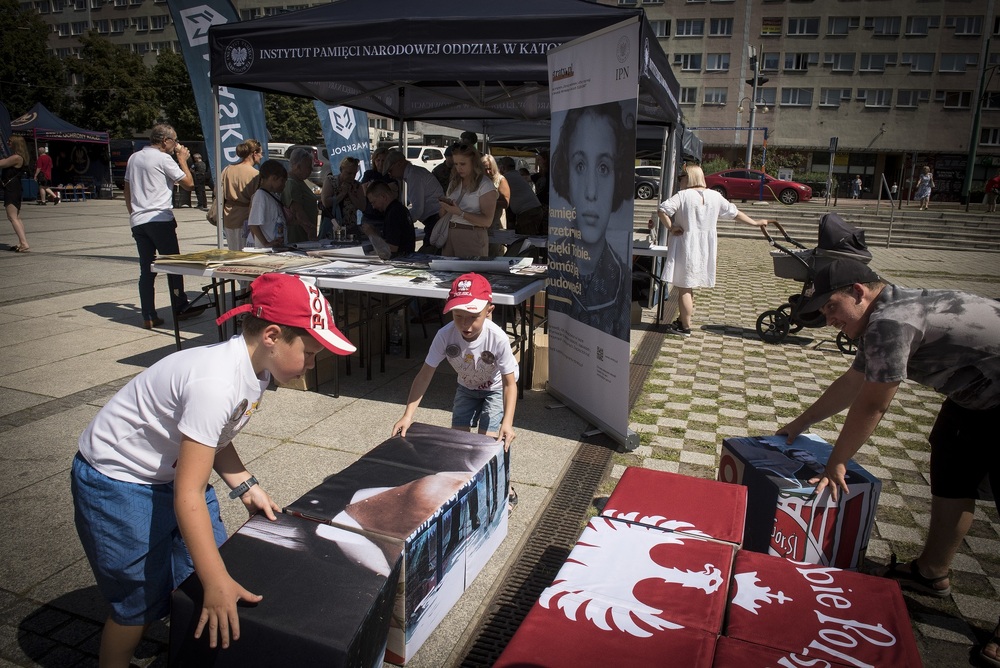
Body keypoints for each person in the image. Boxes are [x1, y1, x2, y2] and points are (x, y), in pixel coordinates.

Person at [71, 272, 356, 668]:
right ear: (272, 336)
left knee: (201, 563)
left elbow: (215, 438)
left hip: (172, 471)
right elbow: (188, 494)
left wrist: (245, 485)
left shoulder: (254, 369)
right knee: (137, 599)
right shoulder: (217, 383)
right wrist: (216, 580)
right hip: (118, 480)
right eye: (309, 352)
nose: (312, 362)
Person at [774, 258, 1000, 667]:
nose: (828, 321)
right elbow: (853, 382)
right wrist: (800, 423)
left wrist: (837, 461)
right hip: (977, 396)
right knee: (952, 473)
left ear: (859, 291)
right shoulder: (884, 313)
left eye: (831, 308)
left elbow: (873, 404)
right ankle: (931, 572)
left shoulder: (891, 322)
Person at [392, 273, 518, 508]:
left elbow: (511, 384)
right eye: (458, 316)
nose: (465, 324)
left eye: (473, 317)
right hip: (467, 387)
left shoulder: (498, 338)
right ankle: (467, 487)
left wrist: (507, 422)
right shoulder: (444, 335)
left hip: (496, 388)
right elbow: (424, 374)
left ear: (489, 310)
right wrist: (408, 415)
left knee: (489, 444)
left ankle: (506, 488)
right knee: (458, 442)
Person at [547, 102, 635, 340]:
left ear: (618, 177)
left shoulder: (622, 281)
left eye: (604, 168)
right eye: (580, 165)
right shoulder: (553, 263)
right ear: (566, 173)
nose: (591, 191)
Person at [656, 166, 767, 337]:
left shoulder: (683, 196)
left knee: (684, 288)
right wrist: (755, 223)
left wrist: (671, 227)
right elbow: (735, 213)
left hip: (686, 245)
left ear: (689, 177)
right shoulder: (715, 196)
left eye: (681, 177)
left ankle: (685, 327)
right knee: (689, 286)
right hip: (704, 248)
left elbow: (662, 210)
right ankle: (684, 320)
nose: (680, 180)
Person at [123, 124, 207, 329]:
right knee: (173, 265)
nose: (176, 145)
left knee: (147, 269)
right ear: (165, 141)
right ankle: (180, 306)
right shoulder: (163, 158)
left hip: (139, 220)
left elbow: (127, 187)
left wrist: (133, 212)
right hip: (159, 218)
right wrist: (182, 160)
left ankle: (148, 314)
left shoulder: (134, 157)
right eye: (175, 140)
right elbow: (188, 183)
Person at [437, 144, 497, 258]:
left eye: (463, 164)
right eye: (456, 164)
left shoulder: (485, 184)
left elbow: (487, 221)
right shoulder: (454, 182)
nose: (459, 168)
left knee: (469, 274)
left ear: (474, 163)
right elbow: (442, 215)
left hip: (472, 235)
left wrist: (460, 212)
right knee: (447, 273)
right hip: (450, 234)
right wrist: (445, 206)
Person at [383, 149, 444, 249]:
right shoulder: (414, 173)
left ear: (399, 164)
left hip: (435, 219)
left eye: (390, 170)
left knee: (428, 253)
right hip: (435, 218)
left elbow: (418, 209)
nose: (390, 175)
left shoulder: (414, 175)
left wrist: (400, 221)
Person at [219, 139, 262, 251]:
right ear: (254, 154)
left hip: (228, 216)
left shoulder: (227, 169)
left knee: (232, 250)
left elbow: (217, 191)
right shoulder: (255, 174)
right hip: (246, 218)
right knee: (246, 253)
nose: (261, 156)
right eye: (261, 153)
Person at [363, 181, 415, 257]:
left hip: (400, 258)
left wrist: (372, 234)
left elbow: (392, 248)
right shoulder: (399, 208)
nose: (373, 207)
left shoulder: (394, 213)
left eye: (373, 202)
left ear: (383, 197)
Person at [497, 156, 545, 236]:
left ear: (502, 167)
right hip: (534, 209)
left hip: (527, 212)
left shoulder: (505, 178)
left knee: (525, 239)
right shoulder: (517, 175)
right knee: (531, 238)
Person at [320, 156, 366, 239]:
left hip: (350, 227)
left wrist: (350, 194)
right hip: (334, 227)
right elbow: (326, 203)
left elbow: (362, 206)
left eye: (354, 174)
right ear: (341, 170)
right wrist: (342, 194)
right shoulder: (330, 181)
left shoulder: (356, 185)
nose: (351, 176)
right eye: (349, 173)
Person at [246, 159, 288, 249]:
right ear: (273, 178)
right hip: (266, 248)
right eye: (282, 181)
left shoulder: (273, 196)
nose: (284, 185)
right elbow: (253, 224)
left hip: (276, 245)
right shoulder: (260, 195)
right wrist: (265, 243)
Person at [1, 136, 31, 252]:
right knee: (16, 217)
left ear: (16, 144)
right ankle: (22, 242)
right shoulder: (19, 157)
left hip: (12, 189)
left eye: (10, 141)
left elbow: (1, 163)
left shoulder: (16, 157)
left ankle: (24, 243)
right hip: (15, 187)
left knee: (12, 217)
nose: (7, 142)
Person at [282, 148, 318, 243]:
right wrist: (310, 230)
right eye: (308, 167)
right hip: (298, 235)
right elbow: (297, 210)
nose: (311, 170)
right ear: (298, 167)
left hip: (304, 234)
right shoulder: (291, 183)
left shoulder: (300, 181)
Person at [482, 154, 510, 255]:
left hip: (496, 223)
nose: (487, 172)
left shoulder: (500, 180)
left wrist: (489, 202)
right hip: (481, 225)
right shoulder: (477, 181)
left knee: (495, 253)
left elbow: (505, 202)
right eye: (484, 169)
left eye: (489, 168)